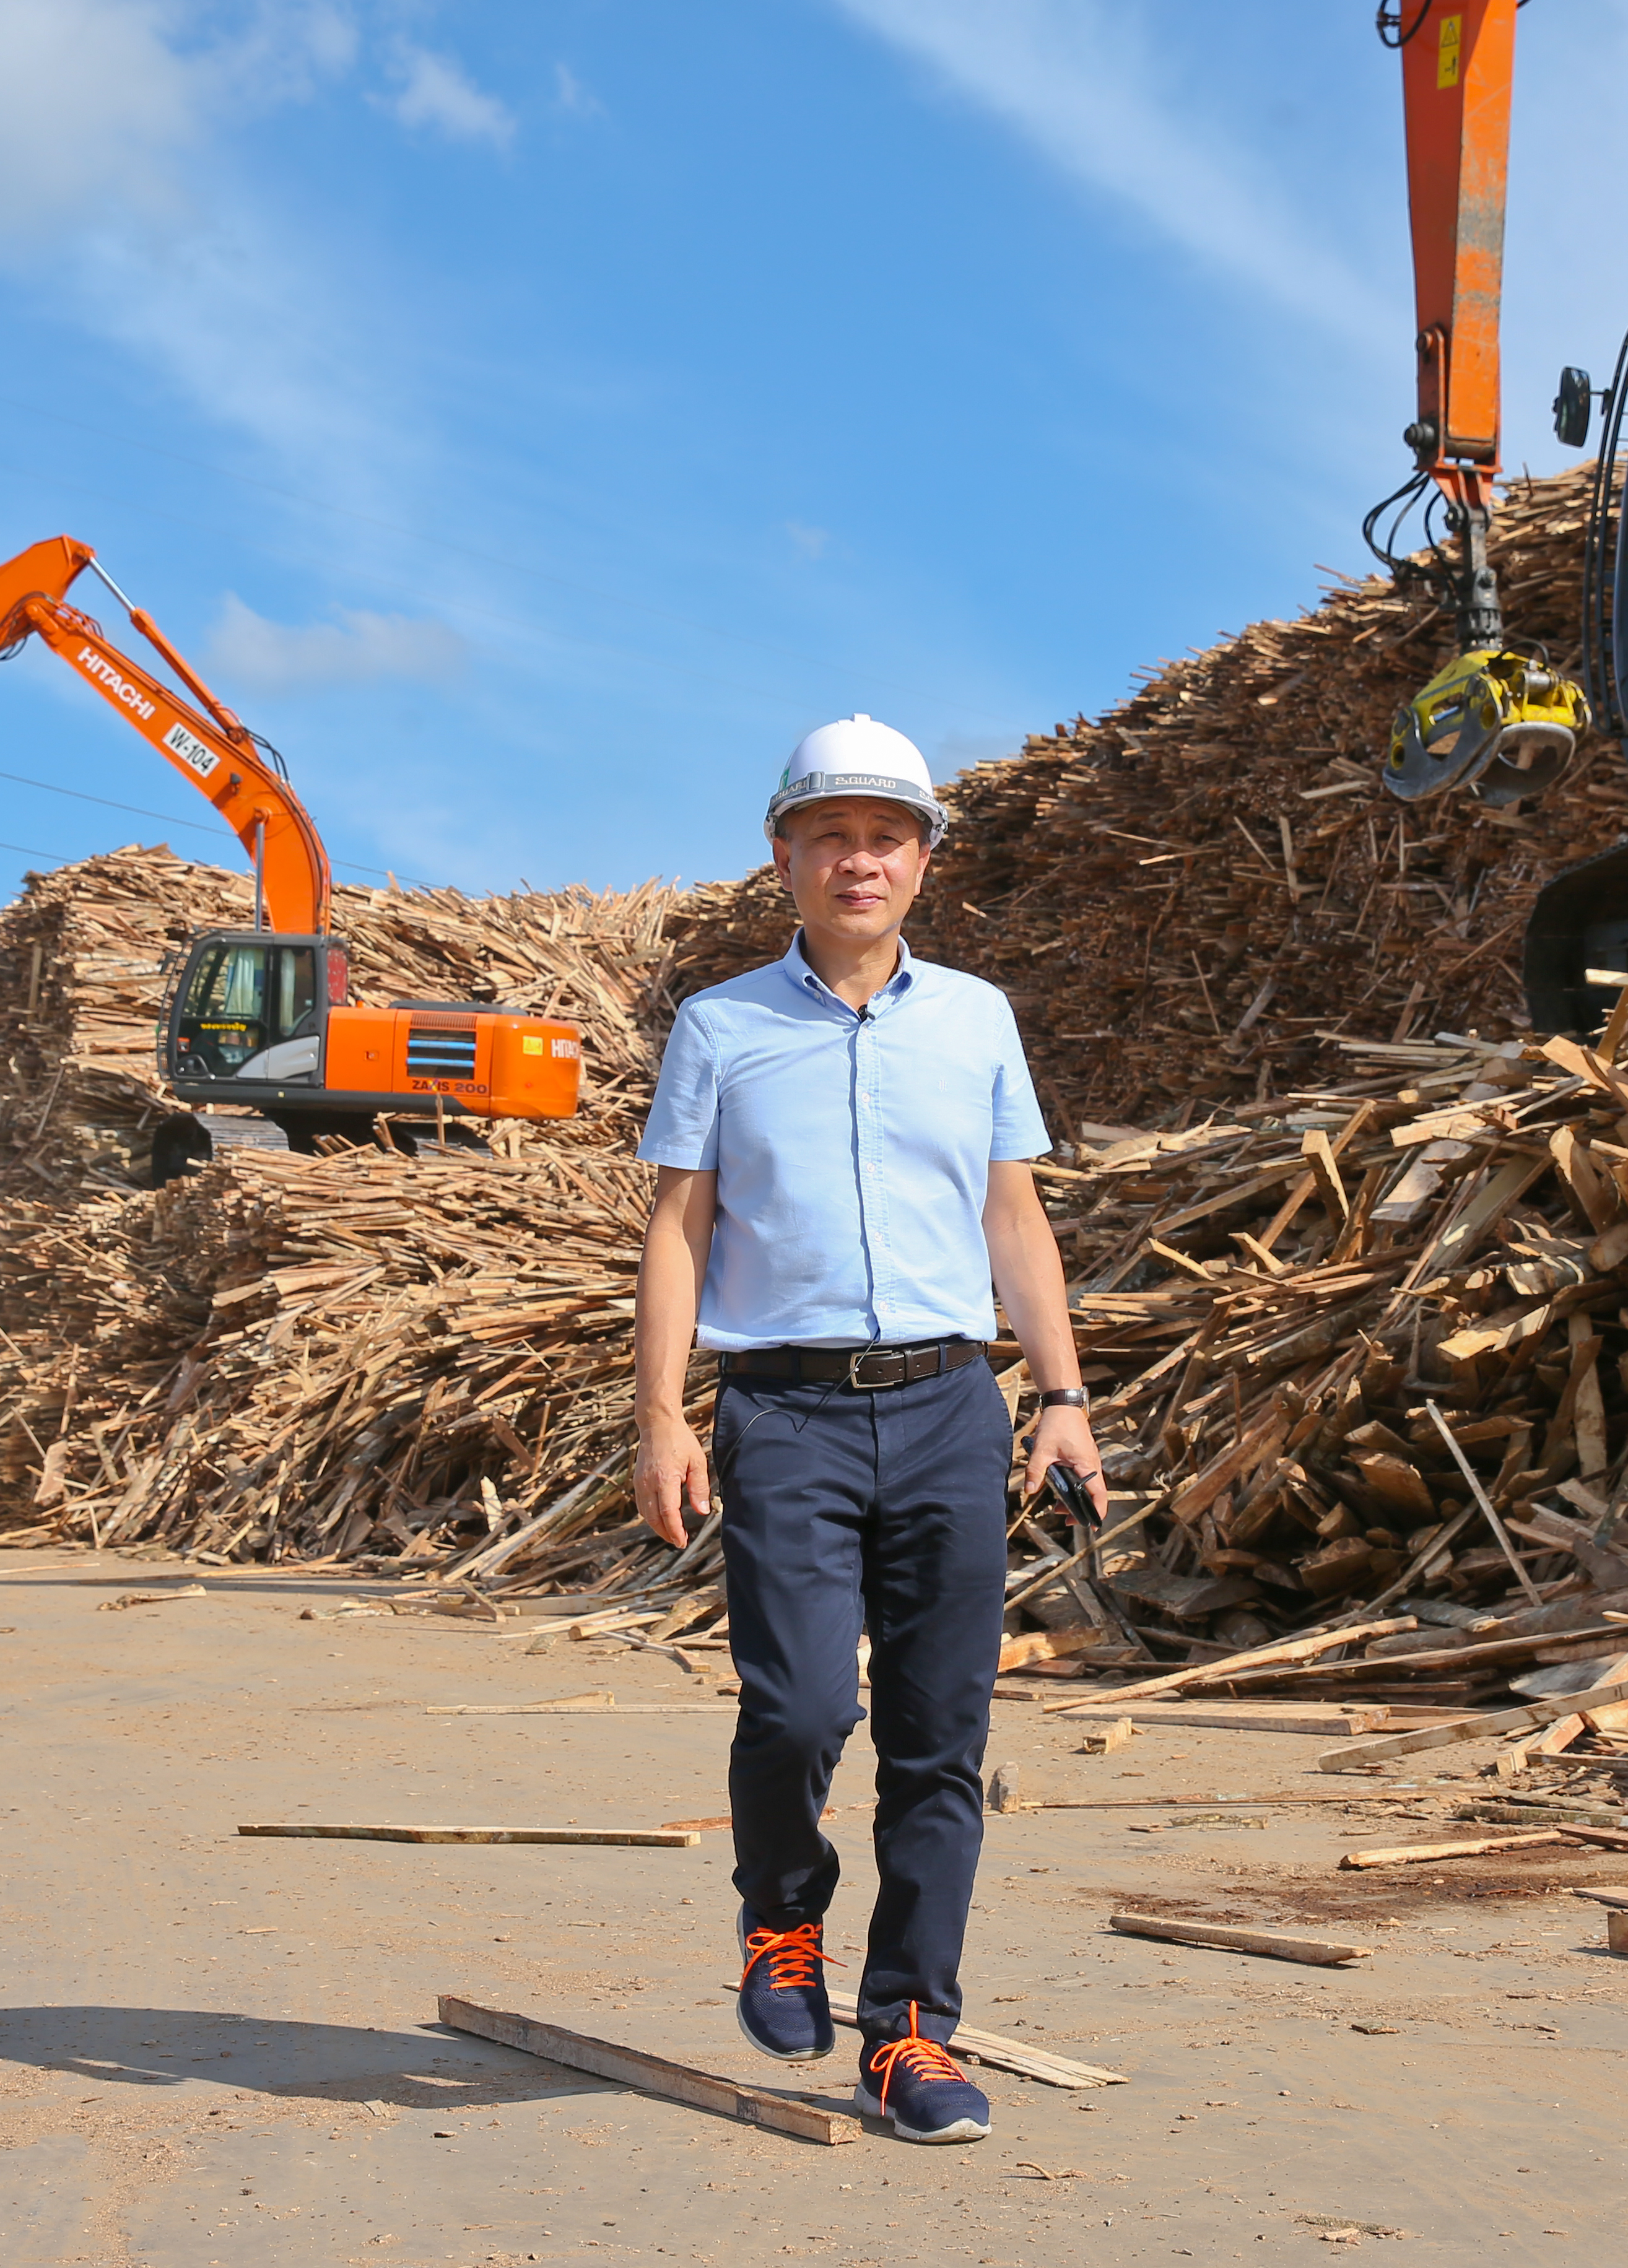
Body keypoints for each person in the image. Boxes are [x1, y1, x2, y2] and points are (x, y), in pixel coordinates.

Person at [630, 714, 1105, 2145]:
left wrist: (1063, 1396)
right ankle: (783, 1920)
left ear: (924, 859)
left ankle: (908, 2034)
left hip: (951, 1405)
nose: (859, 859)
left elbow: (1013, 1217)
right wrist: (661, 1414)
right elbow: (678, 1227)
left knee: (938, 1735)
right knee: (797, 1708)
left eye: (885, 835)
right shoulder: (722, 1026)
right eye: (829, 833)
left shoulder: (976, 1020)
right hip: (786, 1410)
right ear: (782, 853)